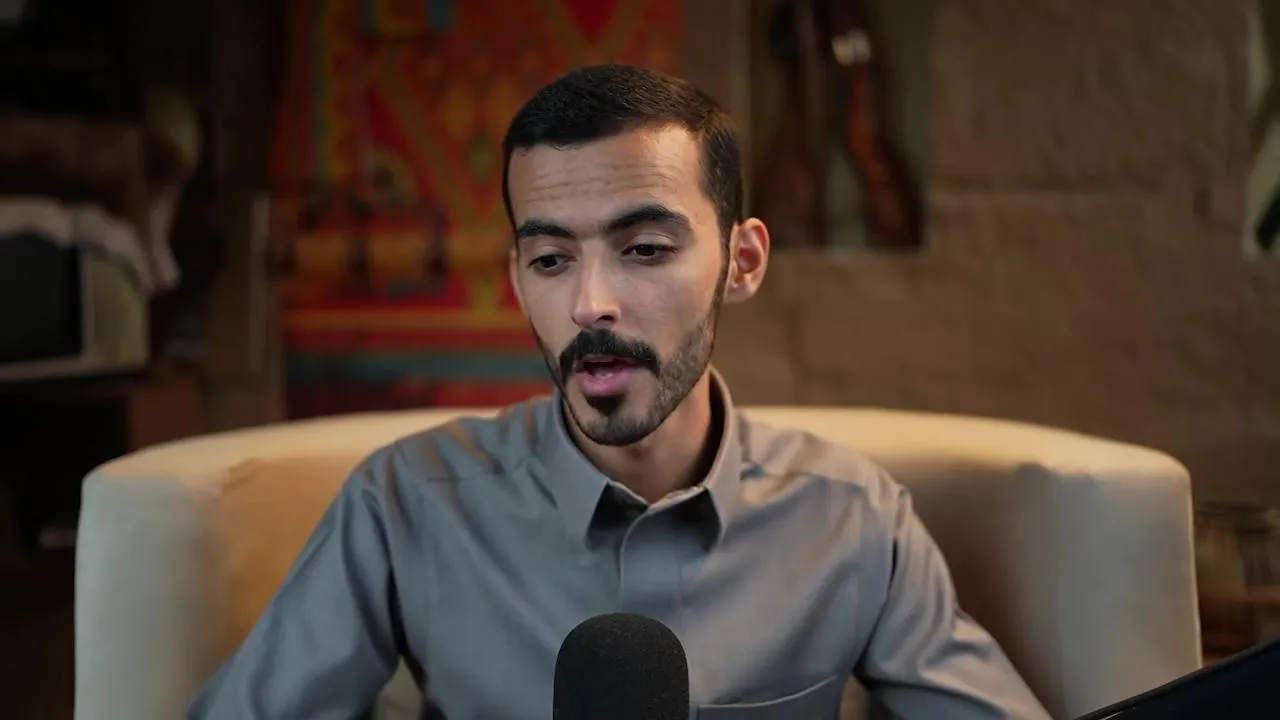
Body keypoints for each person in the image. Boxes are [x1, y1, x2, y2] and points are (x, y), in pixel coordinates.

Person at [189, 64, 1050, 719]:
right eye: (551, 259)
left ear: (743, 261)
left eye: (644, 250)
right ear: (518, 279)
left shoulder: (852, 517)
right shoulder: (404, 503)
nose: (590, 303)